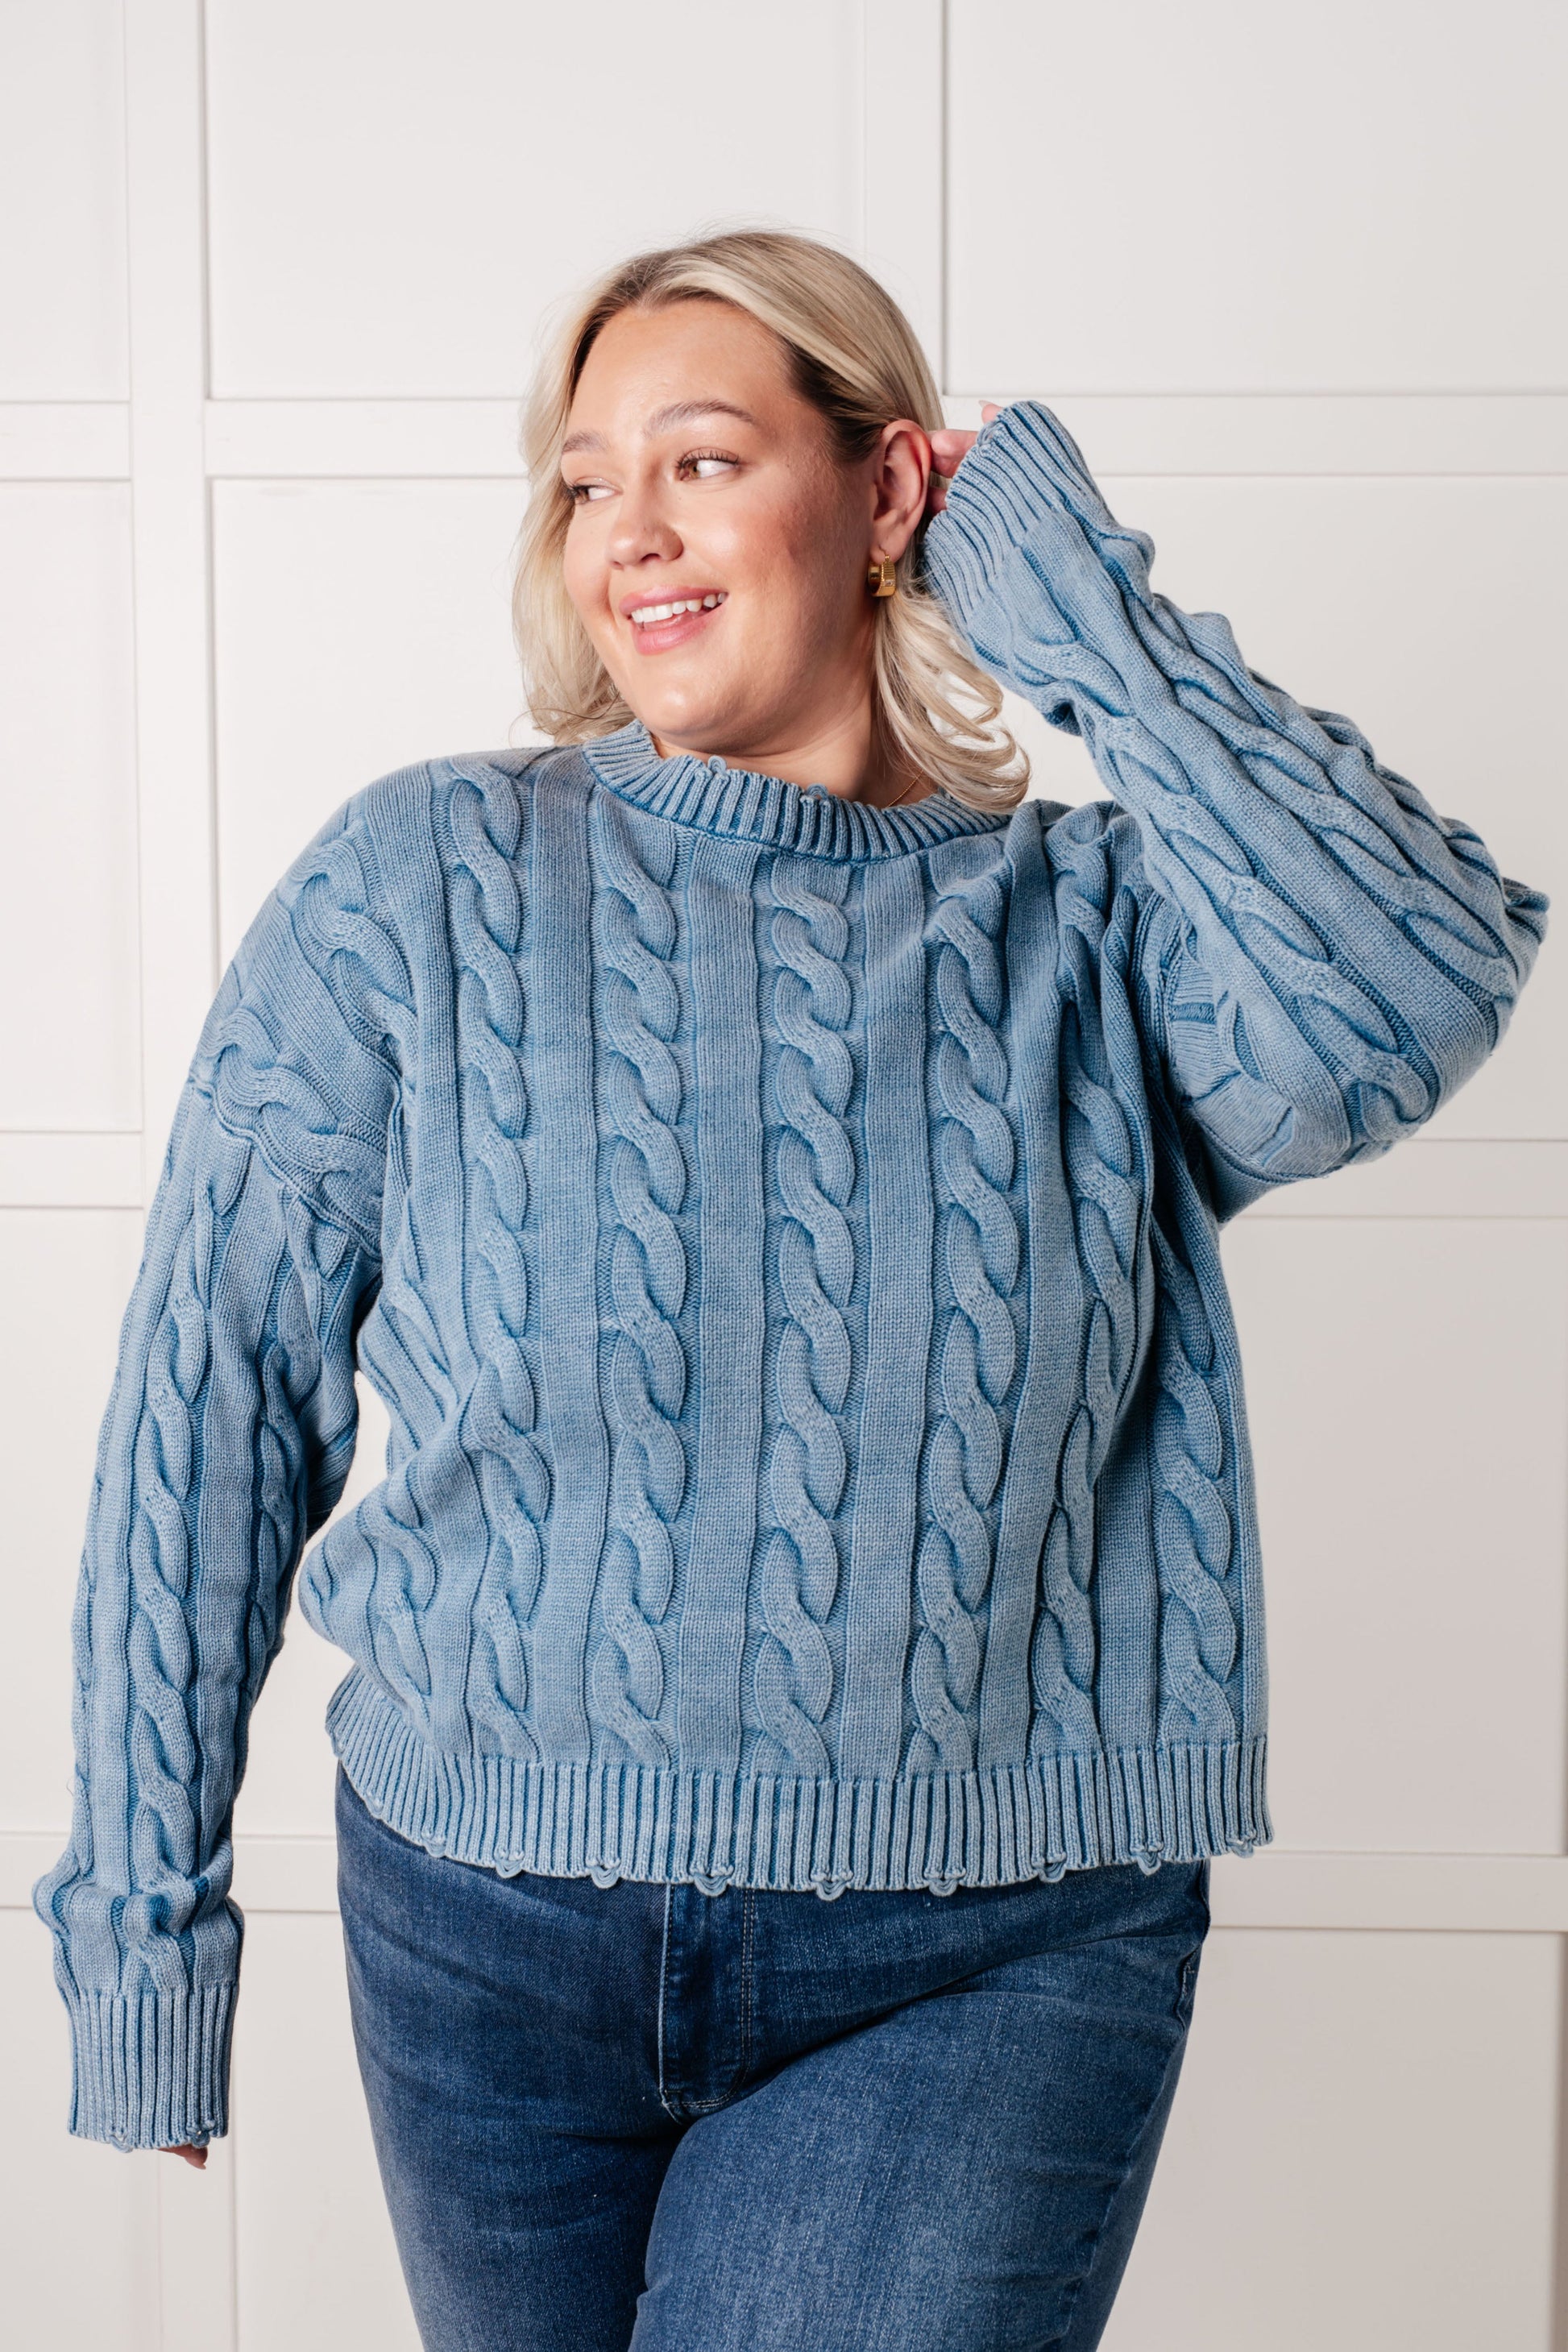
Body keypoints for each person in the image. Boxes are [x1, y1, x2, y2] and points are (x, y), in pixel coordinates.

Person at [35, 228, 1546, 2351]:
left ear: (884, 496)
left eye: (702, 459)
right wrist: (141, 1932)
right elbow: (213, 1398)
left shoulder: (1102, 936)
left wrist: (1087, 616)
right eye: (582, 481)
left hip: (988, 1958)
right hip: (483, 1936)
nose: (624, 534)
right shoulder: (420, 887)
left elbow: (1415, 978)